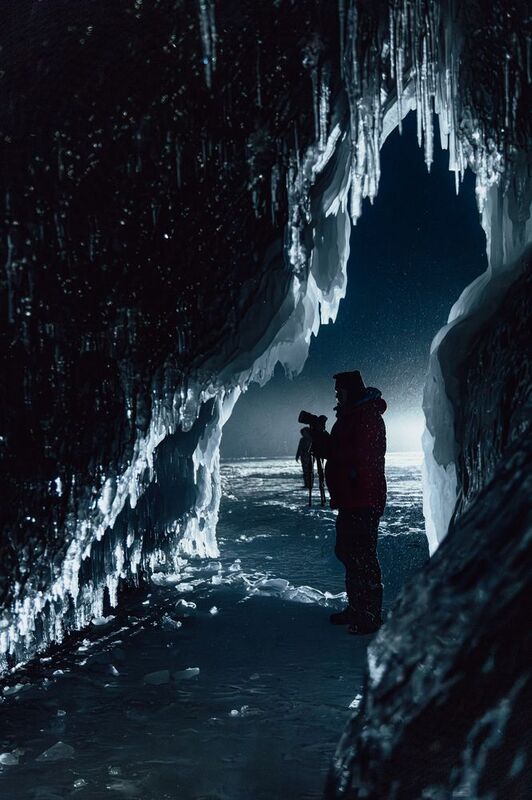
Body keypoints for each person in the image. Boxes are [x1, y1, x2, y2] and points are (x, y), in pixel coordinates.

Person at [311, 370, 387, 635]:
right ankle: (357, 607)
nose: (336, 394)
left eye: (340, 390)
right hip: (350, 497)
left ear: (352, 391)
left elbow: (362, 454)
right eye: (336, 391)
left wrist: (329, 448)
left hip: (363, 497)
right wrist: (322, 441)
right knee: (348, 552)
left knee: (362, 555)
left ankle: (369, 615)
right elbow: (340, 450)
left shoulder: (367, 417)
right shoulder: (348, 417)